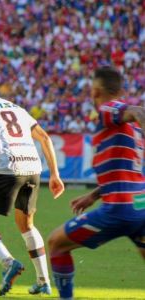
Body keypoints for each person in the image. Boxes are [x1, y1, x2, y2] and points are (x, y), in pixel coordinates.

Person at [47, 66, 145, 300]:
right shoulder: (129, 129)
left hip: (119, 209)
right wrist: (93, 195)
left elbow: (139, 110)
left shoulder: (107, 109)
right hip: (141, 207)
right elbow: (126, 174)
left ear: (95, 92)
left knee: (56, 244)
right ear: (120, 89)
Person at [0, 70, 65, 296]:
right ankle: (44, 281)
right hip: (33, 168)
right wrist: (55, 175)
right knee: (27, 225)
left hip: (7, 168)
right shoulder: (17, 108)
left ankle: (8, 262)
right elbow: (45, 138)